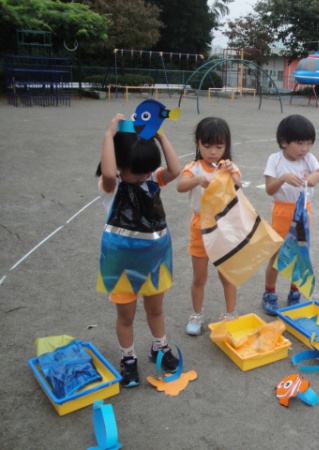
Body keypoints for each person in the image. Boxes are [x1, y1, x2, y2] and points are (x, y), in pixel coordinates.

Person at [96, 114, 181, 388]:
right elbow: (108, 173)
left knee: (155, 309)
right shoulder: (112, 186)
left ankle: (160, 346)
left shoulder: (152, 179)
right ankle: (128, 358)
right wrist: (109, 135)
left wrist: (160, 135)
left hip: (155, 260)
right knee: (126, 316)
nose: (144, 176)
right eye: (137, 171)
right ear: (121, 166)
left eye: (148, 170)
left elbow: (175, 170)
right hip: (122, 264)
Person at [177, 117, 241, 335]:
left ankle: (231, 314)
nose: (213, 152)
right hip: (200, 227)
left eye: (219, 147)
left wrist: (231, 173)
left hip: (224, 226)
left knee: (227, 275)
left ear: (226, 146)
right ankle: (196, 314)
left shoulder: (228, 167)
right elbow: (181, 186)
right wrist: (197, 180)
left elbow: (238, 187)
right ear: (197, 143)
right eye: (207, 146)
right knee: (199, 277)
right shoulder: (193, 167)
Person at [261, 114, 319, 315]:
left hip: (303, 212)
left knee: (300, 255)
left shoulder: (309, 159)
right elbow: (269, 190)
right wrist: (282, 178)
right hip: (282, 212)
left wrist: (316, 175)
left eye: (308, 143)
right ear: (284, 142)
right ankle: (269, 293)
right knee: (277, 255)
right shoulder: (275, 160)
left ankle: (294, 293)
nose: (305, 149)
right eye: (300, 143)